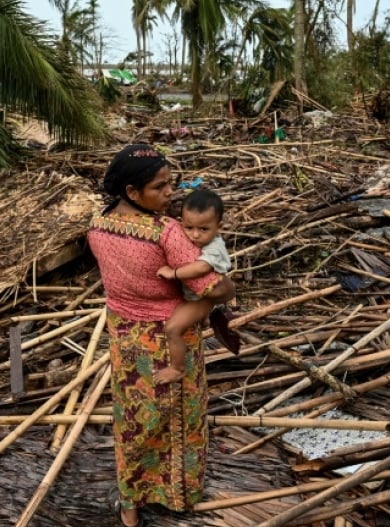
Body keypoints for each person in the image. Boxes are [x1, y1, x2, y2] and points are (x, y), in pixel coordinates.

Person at [87, 144, 236, 527]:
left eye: (172, 183)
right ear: (132, 193)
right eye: (160, 187)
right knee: (180, 417)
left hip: (124, 337)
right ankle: (177, 495)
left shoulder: (97, 227)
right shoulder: (166, 232)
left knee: (133, 419)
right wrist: (228, 288)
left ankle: (130, 501)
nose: (171, 193)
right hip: (171, 339)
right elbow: (212, 288)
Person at [154, 189, 239, 384]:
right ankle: (205, 320)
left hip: (202, 299)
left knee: (173, 329)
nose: (195, 235)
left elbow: (201, 267)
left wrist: (172, 273)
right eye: (189, 227)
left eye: (203, 229)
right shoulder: (192, 237)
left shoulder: (214, 248)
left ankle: (177, 368)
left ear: (219, 227)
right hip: (194, 296)